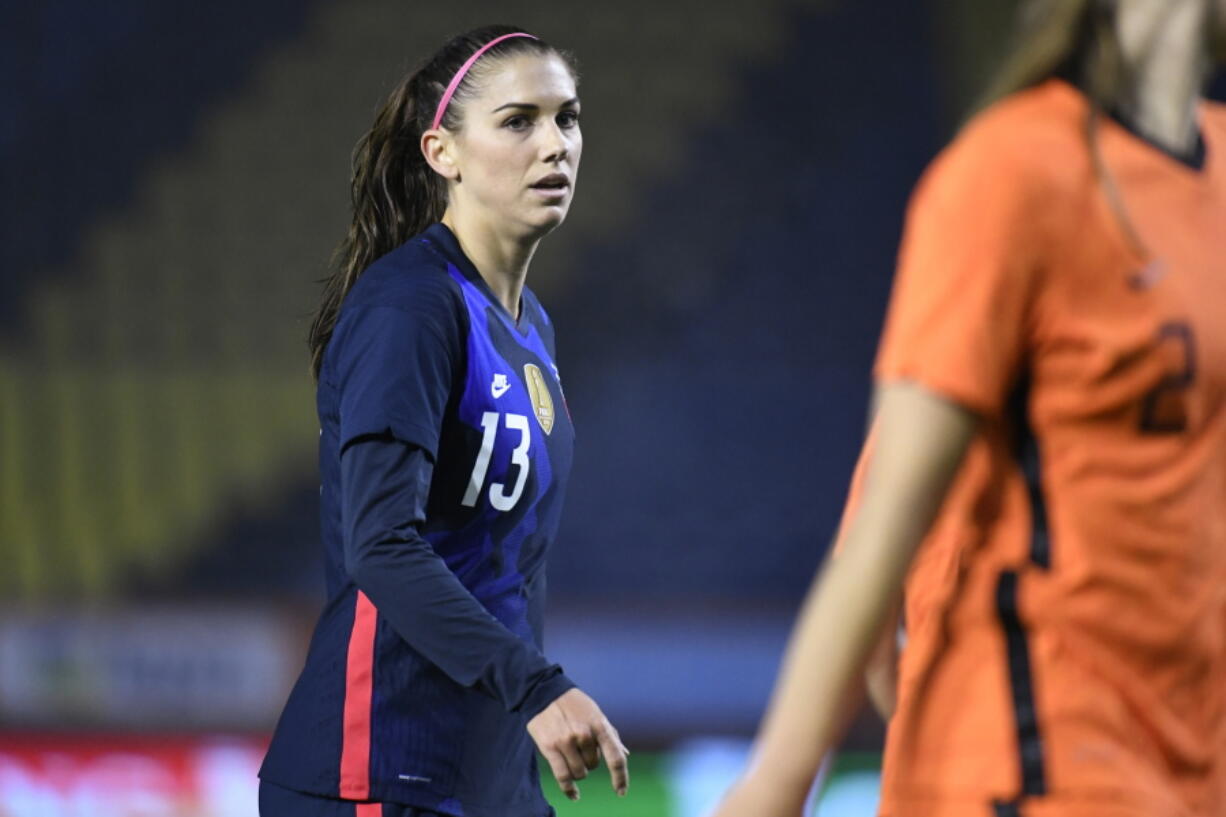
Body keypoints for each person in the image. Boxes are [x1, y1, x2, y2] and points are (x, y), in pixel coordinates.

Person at [714, 1, 1226, 815]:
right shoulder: (1012, 175)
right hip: (1040, 759)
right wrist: (778, 780)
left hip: (1194, 767)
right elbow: (881, 543)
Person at [258, 25, 628, 817]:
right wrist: (537, 685)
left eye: (569, 118)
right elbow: (381, 545)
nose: (556, 144)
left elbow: (503, 572)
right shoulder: (411, 306)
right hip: (379, 772)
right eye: (518, 120)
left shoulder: (532, 328)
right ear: (442, 153)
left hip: (486, 782)